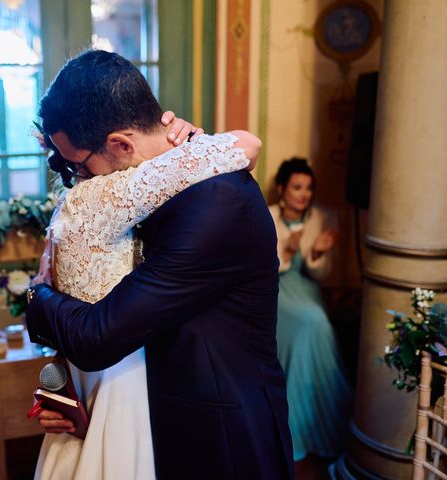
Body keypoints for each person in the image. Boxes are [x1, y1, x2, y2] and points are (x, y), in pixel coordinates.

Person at [26, 49, 294, 479]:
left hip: (219, 437)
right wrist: (67, 387)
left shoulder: (217, 202)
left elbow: (100, 334)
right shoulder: (147, 184)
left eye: (80, 165)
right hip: (150, 420)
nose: (78, 180)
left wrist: (36, 295)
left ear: (120, 144)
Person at [268, 157, 352, 463]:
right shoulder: (267, 217)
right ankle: (295, 430)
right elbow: (258, 269)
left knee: (316, 321)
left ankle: (324, 420)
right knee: (312, 321)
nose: (304, 194)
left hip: (308, 291)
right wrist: (287, 251)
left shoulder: (321, 218)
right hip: (277, 292)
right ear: (281, 188)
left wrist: (316, 253)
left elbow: (325, 276)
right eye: (297, 187)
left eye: (309, 188)